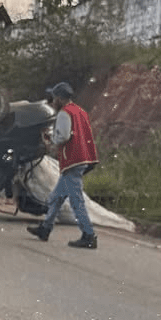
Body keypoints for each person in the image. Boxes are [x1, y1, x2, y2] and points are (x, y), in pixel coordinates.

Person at [27, 81, 99, 249]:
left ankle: (89, 235)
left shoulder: (64, 113)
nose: (53, 101)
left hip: (72, 161)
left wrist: (51, 138)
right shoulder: (80, 111)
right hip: (82, 158)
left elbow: (64, 136)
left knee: (76, 201)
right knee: (56, 197)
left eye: (54, 98)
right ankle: (45, 228)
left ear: (60, 98)